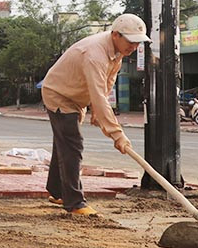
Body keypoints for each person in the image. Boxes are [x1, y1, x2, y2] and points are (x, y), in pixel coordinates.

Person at [41, 13, 149, 217]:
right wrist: (117, 134)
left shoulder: (117, 52)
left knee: (64, 143)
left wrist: (97, 111)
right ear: (116, 35)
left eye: (138, 43)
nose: (134, 47)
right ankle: (75, 203)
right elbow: (98, 94)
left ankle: (57, 192)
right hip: (59, 94)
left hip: (76, 96)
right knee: (72, 144)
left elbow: (108, 82)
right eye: (131, 42)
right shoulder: (95, 54)